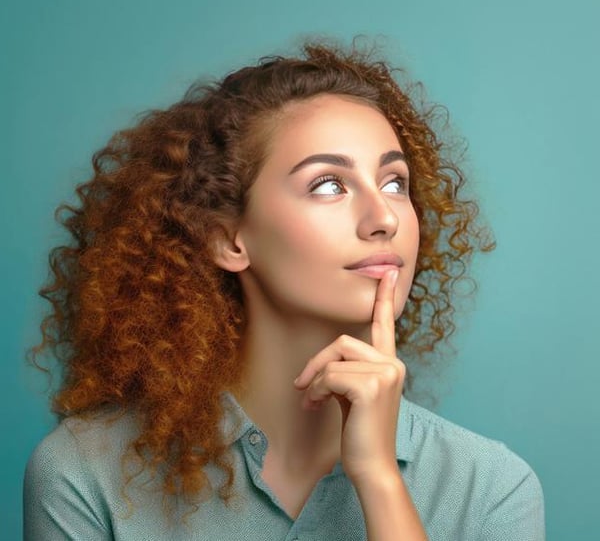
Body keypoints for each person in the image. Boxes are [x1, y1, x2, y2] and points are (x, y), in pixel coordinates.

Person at [23, 38, 545, 540]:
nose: (384, 217)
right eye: (329, 185)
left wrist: (379, 479)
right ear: (228, 240)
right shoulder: (85, 475)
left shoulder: (493, 488)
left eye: (395, 183)